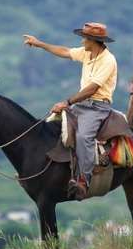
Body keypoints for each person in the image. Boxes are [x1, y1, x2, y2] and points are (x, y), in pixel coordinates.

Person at [23, 22, 118, 199]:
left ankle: (84, 181)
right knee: (52, 124)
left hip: (98, 107)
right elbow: (65, 51)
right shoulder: (87, 53)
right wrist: (39, 44)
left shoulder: (108, 60)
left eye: (85, 38)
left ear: (94, 40)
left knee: (84, 136)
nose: (82, 41)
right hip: (82, 105)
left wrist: (66, 102)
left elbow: (92, 89)